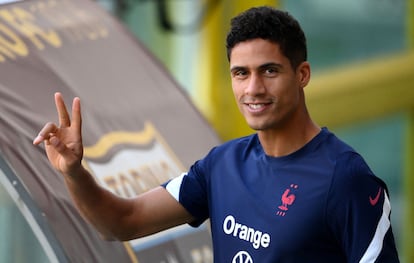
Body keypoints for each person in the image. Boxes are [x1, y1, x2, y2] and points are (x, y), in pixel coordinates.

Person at [33, 6, 400, 262]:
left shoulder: (346, 178)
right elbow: (120, 222)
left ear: (301, 74)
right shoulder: (222, 164)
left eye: (269, 71)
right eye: (241, 73)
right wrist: (74, 173)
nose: (253, 88)